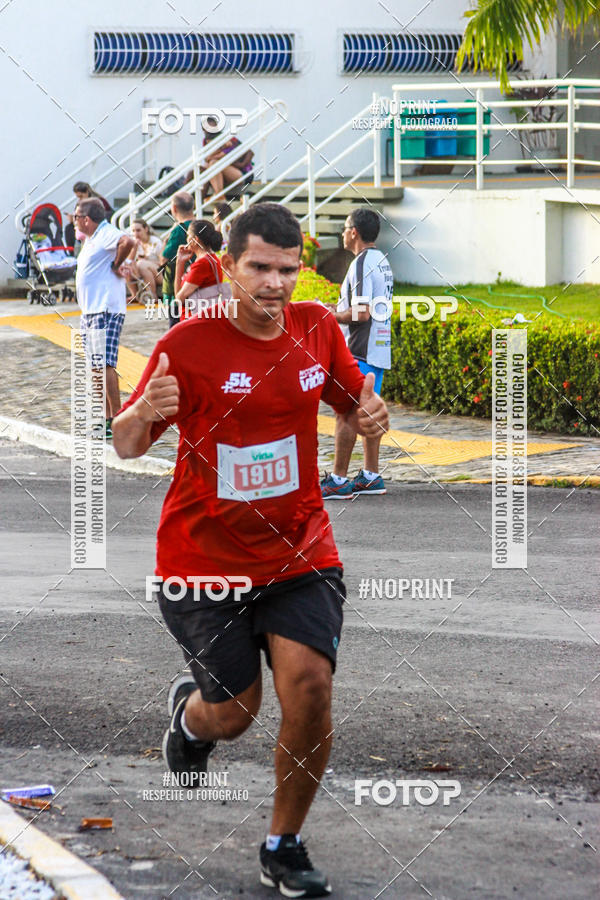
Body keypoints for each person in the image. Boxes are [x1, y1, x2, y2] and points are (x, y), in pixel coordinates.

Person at [112, 202, 388, 898]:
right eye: (259, 268)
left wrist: (367, 412)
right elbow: (126, 442)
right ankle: (191, 720)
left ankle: (283, 843)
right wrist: (142, 412)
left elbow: (349, 401)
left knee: (311, 691)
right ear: (228, 267)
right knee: (234, 714)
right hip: (203, 558)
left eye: (288, 270)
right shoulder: (191, 343)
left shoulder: (315, 328)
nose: (274, 284)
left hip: (300, 551)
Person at [321, 208, 393, 500]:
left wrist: (329, 315)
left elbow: (361, 314)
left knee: (347, 413)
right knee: (368, 411)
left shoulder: (362, 263)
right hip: (379, 347)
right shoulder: (383, 261)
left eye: (344, 227)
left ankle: (338, 479)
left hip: (360, 349)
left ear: (354, 232)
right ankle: (371, 475)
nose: (342, 233)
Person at [74, 198, 135, 438]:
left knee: (106, 363)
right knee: (95, 365)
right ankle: (103, 417)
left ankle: (115, 419)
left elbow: (127, 241)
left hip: (105, 309)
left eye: (77, 217)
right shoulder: (91, 239)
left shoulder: (107, 232)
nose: (75, 221)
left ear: (86, 219)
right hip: (90, 310)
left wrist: (117, 263)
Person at [174, 219, 224, 318]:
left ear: (195, 239)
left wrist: (178, 264)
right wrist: (180, 262)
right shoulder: (212, 259)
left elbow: (179, 298)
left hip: (194, 320)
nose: (187, 239)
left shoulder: (202, 264)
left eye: (188, 236)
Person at [159, 192, 195, 328]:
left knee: (176, 328)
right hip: (197, 285)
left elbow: (164, 258)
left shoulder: (178, 230)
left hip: (177, 287)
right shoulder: (201, 226)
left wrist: (165, 242)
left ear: (174, 208)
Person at [202, 119, 254, 199]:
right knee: (208, 165)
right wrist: (219, 151)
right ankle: (216, 195)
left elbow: (249, 152)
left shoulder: (227, 138)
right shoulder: (206, 141)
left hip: (241, 173)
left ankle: (219, 196)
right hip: (224, 173)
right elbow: (207, 158)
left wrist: (241, 164)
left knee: (213, 163)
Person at [65, 182, 113, 252]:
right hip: (84, 223)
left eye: (81, 196)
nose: (80, 199)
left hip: (96, 224)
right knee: (68, 229)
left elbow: (99, 217)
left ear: (87, 192)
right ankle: (71, 252)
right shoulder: (81, 202)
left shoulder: (97, 201)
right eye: (78, 197)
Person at [124, 218, 163, 301]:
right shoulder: (135, 243)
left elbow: (163, 262)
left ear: (146, 229)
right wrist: (134, 248)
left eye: (138, 230)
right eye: (133, 231)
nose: (136, 234)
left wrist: (147, 261)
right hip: (141, 272)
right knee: (127, 265)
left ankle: (152, 295)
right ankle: (134, 295)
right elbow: (129, 261)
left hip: (159, 273)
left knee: (142, 264)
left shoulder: (156, 242)